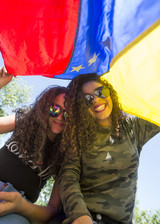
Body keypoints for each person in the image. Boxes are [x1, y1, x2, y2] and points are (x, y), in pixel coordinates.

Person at [58, 73, 160, 224]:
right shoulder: (77, 138)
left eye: (101, 92)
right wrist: (80, 215)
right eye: (87, 99)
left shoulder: (133, 127)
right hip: (87, 218)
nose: (96, 100)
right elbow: (68, 178)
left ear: (110, 92)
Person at [0, 67, 67, 224]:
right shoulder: (26, 120)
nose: (60, 117)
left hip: (18, 209)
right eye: (55, 109)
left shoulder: (67, 154)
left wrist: (20, 206)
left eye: (68, 113)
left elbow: (51, 211)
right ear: (45, 107)